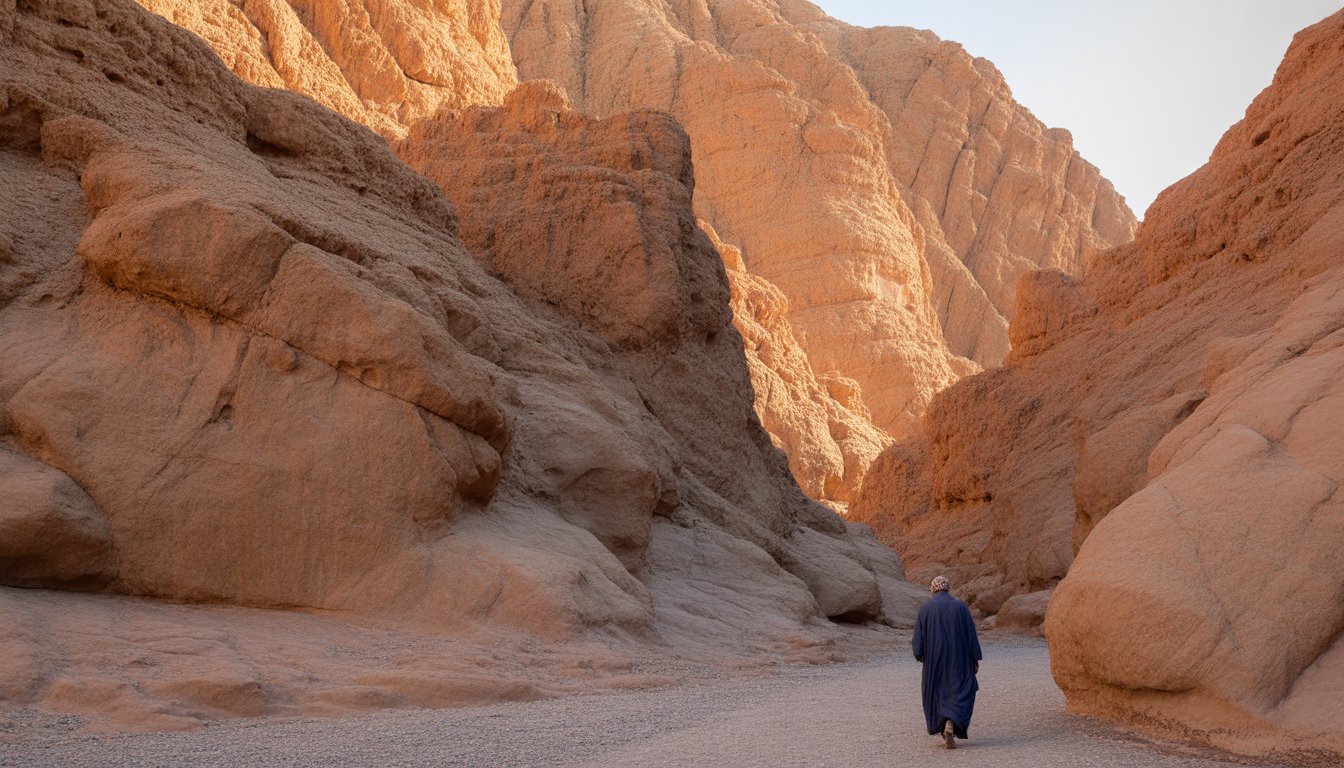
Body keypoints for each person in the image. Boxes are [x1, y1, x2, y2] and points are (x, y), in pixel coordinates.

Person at [912, 575, 982, 749]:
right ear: (947, 588)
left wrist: (920, 655)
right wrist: (975, 657)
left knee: (937, 691)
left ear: (933, 589)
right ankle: (950, 722)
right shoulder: (961, 607)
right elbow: (971, 634)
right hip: (960, 658)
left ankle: (945, 726)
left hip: (934, 659)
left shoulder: (925, 608)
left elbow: (918, 640)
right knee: (960, 689)